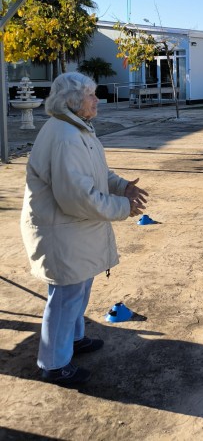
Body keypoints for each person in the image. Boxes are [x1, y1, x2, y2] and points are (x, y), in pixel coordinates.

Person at [20, 72, 148, 386]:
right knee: (65, 297)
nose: (97, 100)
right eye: (91, 95)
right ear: (74, 101)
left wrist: (121, 186)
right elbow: (77, 196)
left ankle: (73, 340)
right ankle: (53, 363)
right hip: (61, 231)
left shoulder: (77, 129)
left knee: (78, 291)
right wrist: (123, 206)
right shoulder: (66, 135)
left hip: (73, 232)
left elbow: (97, 173)